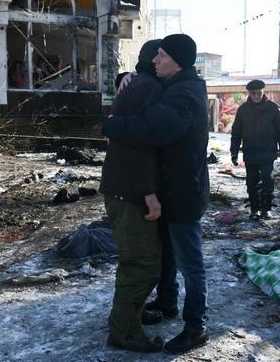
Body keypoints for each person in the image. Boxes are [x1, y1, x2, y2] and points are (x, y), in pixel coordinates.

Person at [102, 33, 210, 354]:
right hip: (171, 191)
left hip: (183, 194)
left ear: (176, 62)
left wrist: (111, 125)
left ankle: (196, 327)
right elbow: (143, 83)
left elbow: (150, 128)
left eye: (161, 56)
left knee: (190, 264)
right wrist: (127, 77)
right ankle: (167, 303)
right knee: (166, 256)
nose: (155, 60)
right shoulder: (175, 85)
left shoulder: (184, 96)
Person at [99, 39, 164, 353]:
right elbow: (134, 145)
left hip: (121, 188)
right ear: (155, 60)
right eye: (164, 56)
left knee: (139, 261)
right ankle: (124, 332)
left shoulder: (136, 84)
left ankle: (130, 315)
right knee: (142, 263)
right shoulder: (147, 87)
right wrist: (148, 193)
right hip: (129, 192)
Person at [230, 79, 280, 220]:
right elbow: (236, 132)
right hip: (250, 152)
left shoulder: (272, 108)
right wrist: (234, 152)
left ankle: (266, 209)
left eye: (259, 93)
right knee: (251, 183)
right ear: (249, 93)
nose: (256, 96)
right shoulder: (243, 110)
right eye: (253, 93)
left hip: (268, 152)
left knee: (268, 181)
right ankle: (254, 210)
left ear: (264, 92)